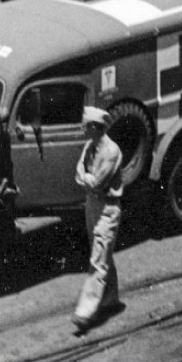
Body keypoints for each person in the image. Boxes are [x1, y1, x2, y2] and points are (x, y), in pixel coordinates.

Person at [72, 106, 124, 332]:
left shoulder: (111, 151)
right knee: (101, 253)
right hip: (92, 205)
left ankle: (85, 311)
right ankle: (110, 299)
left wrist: (87, 178)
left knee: (98, 260)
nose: (83, 130)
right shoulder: (89, 146)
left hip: (108, 209)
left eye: (86, 126)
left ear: (95, 127)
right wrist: (86, 178)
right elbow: (78, 173)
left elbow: (98, 182)